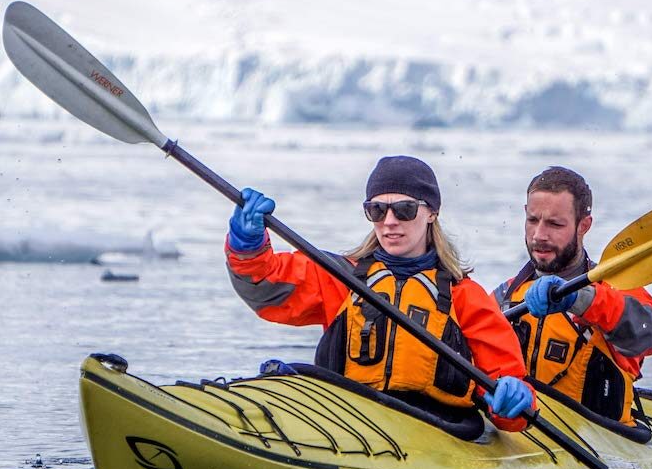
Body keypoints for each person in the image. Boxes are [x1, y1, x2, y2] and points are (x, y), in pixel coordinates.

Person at [225, 155, 536, 435]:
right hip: (349, 420)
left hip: (435, 429)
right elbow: (264, 284)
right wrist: (247, 243)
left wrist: (512, 397)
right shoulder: (341, 277)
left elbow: (512, 398)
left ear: (431, 213)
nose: (389, 222)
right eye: (377, 210)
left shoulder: (465, 297)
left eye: (404, 209)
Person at [494, 166, 652, 425]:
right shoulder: (505, 296)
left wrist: (580, 300)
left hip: (602, 438)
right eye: (533, 220)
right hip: (520, 431)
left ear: (583, 226)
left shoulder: (612, 290)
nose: (539, 235)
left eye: (555, 224)